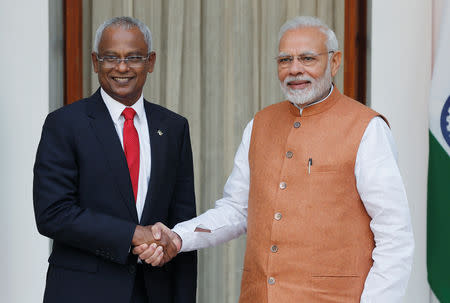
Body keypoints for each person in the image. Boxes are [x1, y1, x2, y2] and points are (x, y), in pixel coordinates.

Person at [136, 16, 414, 302]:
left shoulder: (367, 128)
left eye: (307, 58)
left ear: (334, 62)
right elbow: (236, 210)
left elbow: (395, 236)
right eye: (284, 60)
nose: (295, 70)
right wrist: (178, 236)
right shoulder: (260, 123)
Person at [33, 16, 197, 303]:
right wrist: (134, 234)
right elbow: (52, 213)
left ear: (151, 62)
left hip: (154, 292)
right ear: (96, 62)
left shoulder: (173, 128)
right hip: (82, 293)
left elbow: (181, 223)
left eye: (134, 57)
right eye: (111, 57)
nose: (122, 67)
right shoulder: (65, 124)